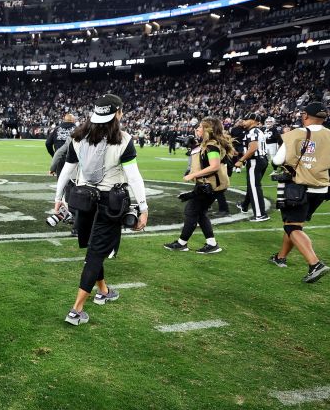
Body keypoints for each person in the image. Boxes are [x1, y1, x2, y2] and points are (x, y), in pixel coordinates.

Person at [53, 94, 149, 326]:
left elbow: (66, 171)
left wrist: (57, 198)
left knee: (94, 248)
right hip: (109, 202)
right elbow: (134, 177)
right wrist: (143, 207)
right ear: (117, 113)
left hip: (83, 200)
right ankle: (76, 310)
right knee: (95, 254)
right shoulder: (123, 139)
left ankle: (104, 291)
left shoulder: (78, 137)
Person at [269, 102, 330, 283]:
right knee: (295, 224)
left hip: (299, 188)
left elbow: (278, 160)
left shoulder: (294, 135)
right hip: (321, 188)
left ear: (305, 116)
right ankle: (280, 257)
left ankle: (315, 264)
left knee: (292, 227)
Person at [163, 117, 235, 254]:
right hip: (206, 185)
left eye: (200, 127)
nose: (197, 129)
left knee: (191, 211)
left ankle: (181, 243)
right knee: (200, 213)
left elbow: (214, 166)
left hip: (210, 185)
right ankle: (212, 243)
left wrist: (192, 175)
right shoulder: (209, 144)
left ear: (208, 130)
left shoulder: (212, 145)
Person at [235, 113, 269, 222]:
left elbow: (253, 148)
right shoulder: (258, 131)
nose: (243, 121)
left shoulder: (253, 132)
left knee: (254, 187)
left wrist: (241, 160)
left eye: (246, 119)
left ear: (254, 120)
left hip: (255, 160)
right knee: (252, 186)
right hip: (262, 159)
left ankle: (260, 214)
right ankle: (245, 205)